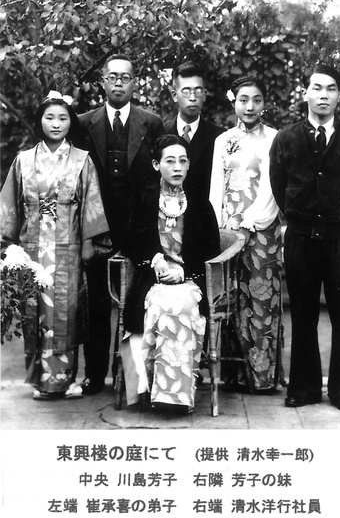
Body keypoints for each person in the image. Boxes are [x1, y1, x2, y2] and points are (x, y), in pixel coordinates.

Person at [0, 91, 109, 400]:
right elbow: (9, 205)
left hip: (68, 249)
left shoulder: (81, 160)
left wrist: (90, 242)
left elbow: (92, 202)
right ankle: (40, 379)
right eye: (50, 117)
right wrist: (9, 245)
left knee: (65, 311)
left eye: (63, 118)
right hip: (32, 247)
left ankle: (61, 378)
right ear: (40, 121)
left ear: (70, 122)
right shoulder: (23, 161)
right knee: (36, 312)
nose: (56, 123)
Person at [269, 63, 340, 412]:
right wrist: (300, 216)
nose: (323, 95)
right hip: (302, 238)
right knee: (304, 314)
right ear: (305, 93)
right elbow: (280, 185)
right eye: (316, 88)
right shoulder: (287, 138)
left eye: (330, 89)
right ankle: (305, 388)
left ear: (339, 96)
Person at [77, 53, 164, 394]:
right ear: (102, 82)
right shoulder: (85, 123)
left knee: (137, 303)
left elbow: (155, 182)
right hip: (98, 228)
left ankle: (134, 381)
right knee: (98, 302)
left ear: (134, 83)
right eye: (112, 77)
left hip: (138, 230)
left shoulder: (151, 123)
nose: (118, 83)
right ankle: (95, 376)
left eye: (124, 77)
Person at [120, 134, 220, 411]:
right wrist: (154, 258)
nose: (177, 167)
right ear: (156, 164)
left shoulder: (199, 201)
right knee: (160, 303)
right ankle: (153, 389)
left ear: (189, 166)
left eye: (183, 161)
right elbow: (128, 240)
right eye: (170, 161)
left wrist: (185, 270)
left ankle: (176, 396)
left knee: (182, 303)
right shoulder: (144, 197)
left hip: (190, 280)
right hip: (151, 280)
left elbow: (211, 248)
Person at [209, 76, 282, 393]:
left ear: (265, 103)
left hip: (261, 231)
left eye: (256, 99)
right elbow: (215, 190)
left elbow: (273, 189)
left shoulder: (276, 139)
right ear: (233, 102)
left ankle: (262, 377)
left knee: (260, 300)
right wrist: (218, 228)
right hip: (228, 233)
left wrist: (250, 221)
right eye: (243, 99)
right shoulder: (223, 141)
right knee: (230, 300)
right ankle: (233, 374)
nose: (250, 106)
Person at [165, 61, 224, 201]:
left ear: (204, 95)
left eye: (198, 91)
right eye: (186, 92)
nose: (192, 98)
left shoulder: (220, 136)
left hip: (206, 218)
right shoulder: (161, 132)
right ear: (174, 95)